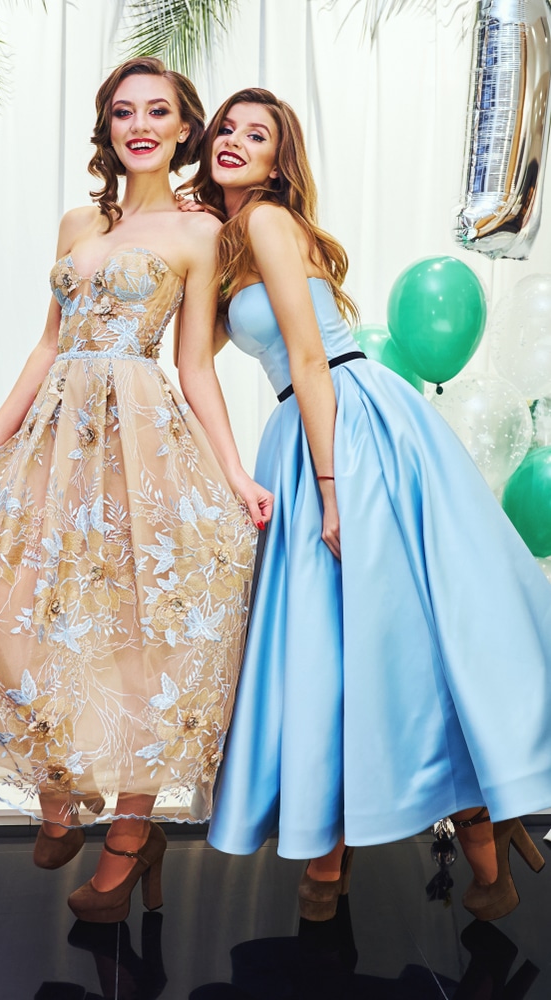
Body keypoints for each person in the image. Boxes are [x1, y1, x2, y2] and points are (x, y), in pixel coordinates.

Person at [0, 61, 272, 924]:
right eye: (123, 110)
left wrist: (236, 473)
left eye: (158, 112)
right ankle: (62, 783)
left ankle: (133, 835)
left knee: (141, 629)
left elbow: (195, 364)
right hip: (57, 439)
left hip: (141, 439)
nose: (140, 124)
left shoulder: (199, 231)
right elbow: (47, 345)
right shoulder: (77, 221)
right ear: (108, 126)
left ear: (184, 131)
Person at [184, 87, 551, 922]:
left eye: (257, 134)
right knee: (354, 638)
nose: (235, 140)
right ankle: (457, 837)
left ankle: (372, 849)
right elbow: (192, 352)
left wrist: (330, 487)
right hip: (314, 429)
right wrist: (184, 233)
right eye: (226, 129)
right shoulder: (233, 242)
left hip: (344, 430)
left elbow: (309, 361)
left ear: (280, 163)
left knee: (385, 632)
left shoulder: (271, 224)